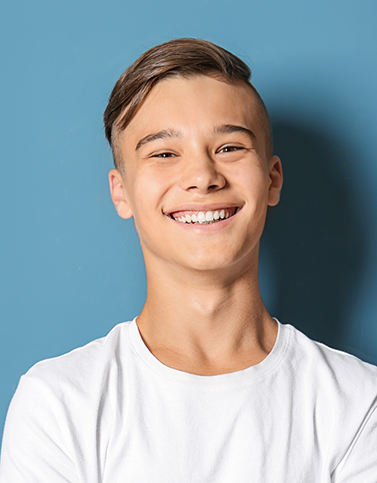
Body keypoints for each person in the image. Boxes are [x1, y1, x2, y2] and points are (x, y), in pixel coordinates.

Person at [1, 38, 376, 482]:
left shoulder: (359, 402)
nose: (202, 176)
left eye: (230, 148)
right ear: (121, 191)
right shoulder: (58, 402)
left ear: (272, 180)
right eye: (164, 153)